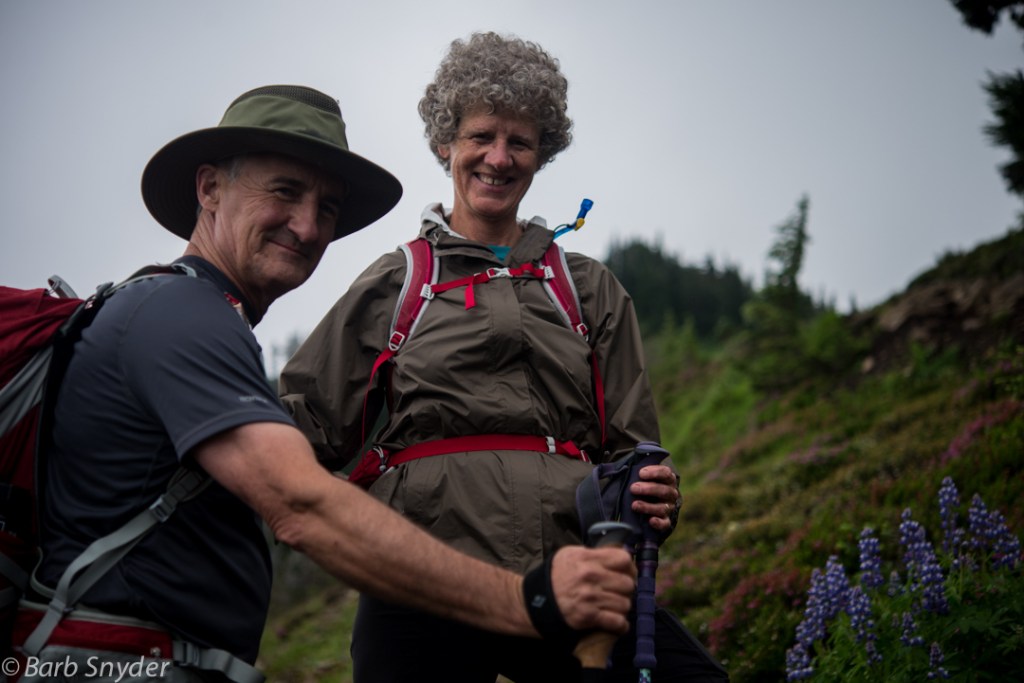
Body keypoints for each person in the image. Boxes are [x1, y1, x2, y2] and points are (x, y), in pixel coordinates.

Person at [15, 84, 639, 683]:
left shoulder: (197, 318)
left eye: (328, 208)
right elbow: (302, 503)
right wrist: (528, 600)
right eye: (284, 192)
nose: (309, 227)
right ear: (209, 187)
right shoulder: (179, 316)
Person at [279, 35, 729, 682]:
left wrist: (655, 493)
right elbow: (300, 426)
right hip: (418, 577)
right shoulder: (396, 281)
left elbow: (634, 454)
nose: (498, 157)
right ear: (445, 144)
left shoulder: (589, 289)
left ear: (541, 153)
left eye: (519, 141)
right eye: (481, 135)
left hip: (571, 575)